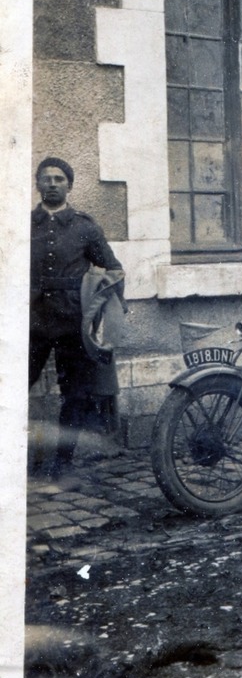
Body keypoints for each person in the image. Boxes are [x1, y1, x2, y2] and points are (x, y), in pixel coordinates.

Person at [29, 157, 126, 478]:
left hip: (74, 322)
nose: (53, 183)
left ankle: (62, 463)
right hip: (33, 322)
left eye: (59, 178)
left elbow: (114, 270)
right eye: (47, 178)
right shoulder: (21, 224)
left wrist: (98, 308)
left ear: (69, 185)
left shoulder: (85, 227)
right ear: (38, 184)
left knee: (76, 394)